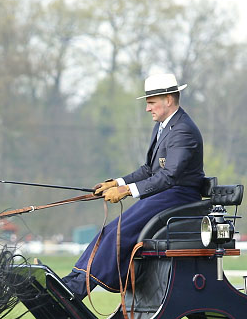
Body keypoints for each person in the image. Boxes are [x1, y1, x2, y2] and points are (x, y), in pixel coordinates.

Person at [61, 72, 205, 300]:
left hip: (178, 197)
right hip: (163, 195)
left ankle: (79, 287)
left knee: (120, 232)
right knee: (109, 231)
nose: (148, 109)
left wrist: (126, 191)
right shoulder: (163, 127)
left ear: (168, 100)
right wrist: (116, 182)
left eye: (151, 103)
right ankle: (75, 279)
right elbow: (149, 170)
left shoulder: (183, 130)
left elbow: (169, 176)